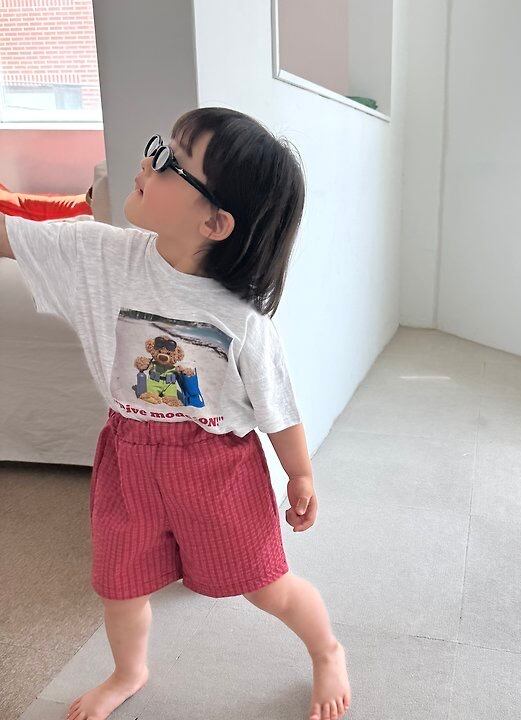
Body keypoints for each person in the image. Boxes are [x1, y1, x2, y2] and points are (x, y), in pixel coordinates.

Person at [0, 107, 351, 720]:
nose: (146, 161)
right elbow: (11, 236)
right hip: (127, 457)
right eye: (157, 145)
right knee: (120, 584)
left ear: (215, 222)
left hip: (217, 468)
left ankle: (327, 650)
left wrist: (300, 474)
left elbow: (278, 406)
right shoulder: (97, 254)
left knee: (265, 585)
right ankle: (128, 671)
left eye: (170, 161)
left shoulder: (242, 317)